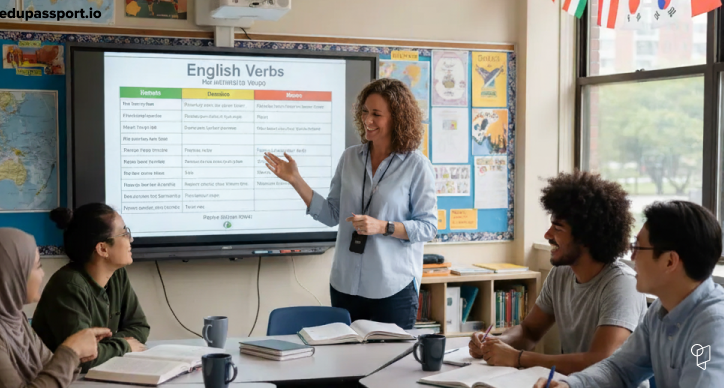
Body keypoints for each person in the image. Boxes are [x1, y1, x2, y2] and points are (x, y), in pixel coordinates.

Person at [263, 78, 437, 329]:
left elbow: (428, 227)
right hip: (345, 286)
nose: (368, 120)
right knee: (345, 364)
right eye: (365, 111)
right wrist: (295, 180)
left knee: (389, 366)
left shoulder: (416, 165)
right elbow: (332, 214)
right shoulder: (350, 158)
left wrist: (384, 227)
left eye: (376, 114)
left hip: (392, 288)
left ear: (397, 118)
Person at [470, 171, 647, 376]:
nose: (547, 235)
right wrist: (495, 343)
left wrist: (518, 358)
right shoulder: (561, 273)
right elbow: (529, 331)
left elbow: (600, 361)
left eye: (558, 228)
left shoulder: (622, 284)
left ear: (587, 237)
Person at [534, 201, 724, 388]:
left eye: (638, 248)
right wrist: (570, 385)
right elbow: (619, 369)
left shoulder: (713, 326)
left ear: (669, 261)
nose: (632, 258)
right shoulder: (661, 310)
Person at [0, 228, 111, 388]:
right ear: (12, 275)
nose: (43, 274)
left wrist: (77, 351)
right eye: (38, 266)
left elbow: (50, 370)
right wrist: (70, 352)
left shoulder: (14, 317)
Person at [32, 203, 150, 371]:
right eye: (124, 233)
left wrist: (104, 349)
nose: (131, 239)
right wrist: (123, 345)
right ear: (102, 249)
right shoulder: (68, 285)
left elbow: (140, 328)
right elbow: (83, 357)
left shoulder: (117, 274)